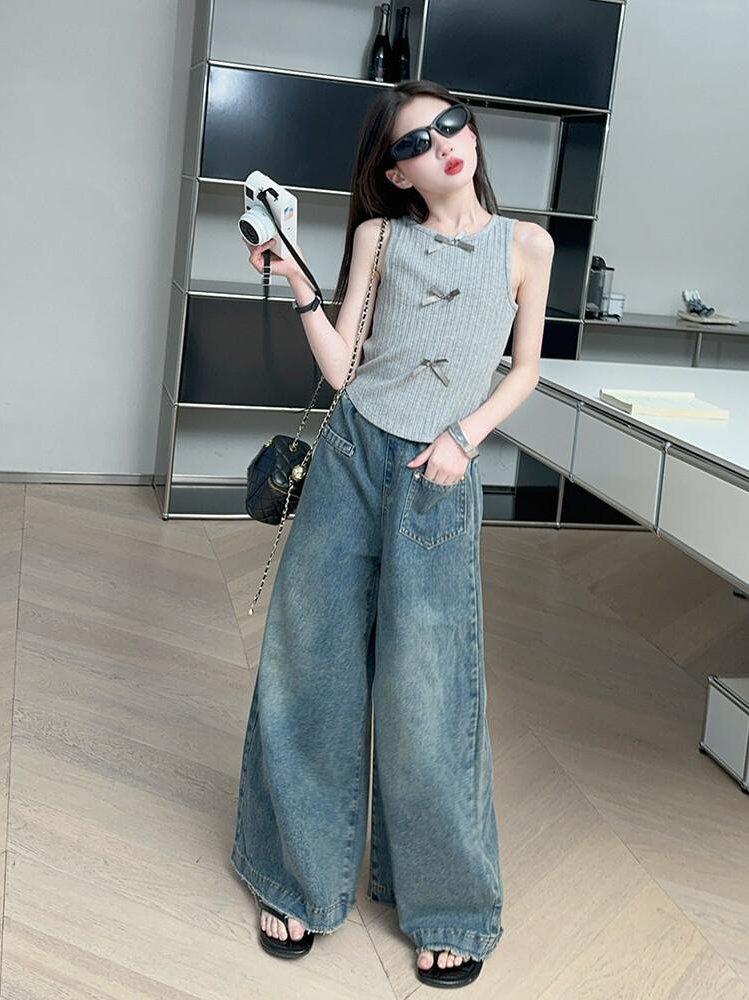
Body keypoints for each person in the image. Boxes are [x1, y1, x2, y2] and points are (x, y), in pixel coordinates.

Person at [231, 78, 554, 989]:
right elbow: (345, 369)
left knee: (429, 693)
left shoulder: (527, 246)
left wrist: (465, 438)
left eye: (451, 124)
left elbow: (525, 369)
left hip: (438, 476)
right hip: (351, 457)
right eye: (416, 141)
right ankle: (297, 879)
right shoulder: (380, 237)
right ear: (397, 172)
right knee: (311, 666)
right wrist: (299, 280)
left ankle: (448, 906)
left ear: (471, 133)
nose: (444, 143)